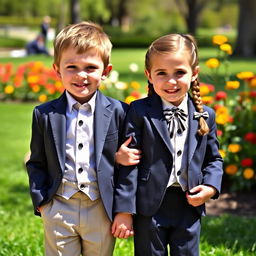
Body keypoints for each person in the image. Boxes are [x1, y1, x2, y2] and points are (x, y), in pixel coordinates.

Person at [26, 21, 140, 256]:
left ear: (105, 71)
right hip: (58, 205)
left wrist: (125, 210)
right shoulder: (44, 114)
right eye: (72, 67)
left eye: (90, 67)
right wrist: (42, 202)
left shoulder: (120, 112)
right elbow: (36, 161)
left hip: (101, 206)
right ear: (57, 69)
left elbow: (129, 166)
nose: (81, 75)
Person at [112, 34, 223, 256]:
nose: (171, 81)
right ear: (149, 76)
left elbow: (214, 159)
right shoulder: (139, 112)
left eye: (179, 73)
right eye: (161, 73)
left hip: (189, 204)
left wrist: (211, 187)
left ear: (194, 73)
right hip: (149, 206)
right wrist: (124, 210)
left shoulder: (205, 115)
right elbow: (129, 164)